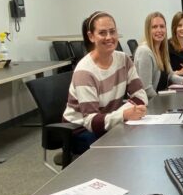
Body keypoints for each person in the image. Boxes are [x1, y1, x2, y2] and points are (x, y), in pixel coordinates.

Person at [63, 11, 148, 153]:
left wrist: (123, 113)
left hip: (107, 122)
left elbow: (141, 95)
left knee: (141, 136)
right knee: (125, 145)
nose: (109, 37)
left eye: (112, 32)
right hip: (81, 132)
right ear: (91, 36)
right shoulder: (85, 72)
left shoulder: (124, 60)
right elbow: (91, 121)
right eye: (102, 33)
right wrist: (123, 114)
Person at [136, 12, 183, 97]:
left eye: (162, 26)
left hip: (163, 96)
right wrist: (161, 101)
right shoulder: (144, 52)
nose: (159, 30)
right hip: (151, 104)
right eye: (154, 27)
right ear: (148, 30)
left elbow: (170, 75)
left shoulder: (162, 49)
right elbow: (146, 90)